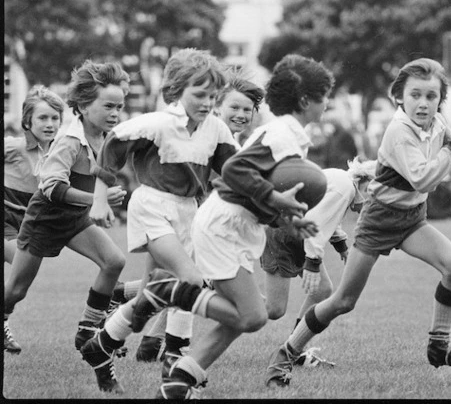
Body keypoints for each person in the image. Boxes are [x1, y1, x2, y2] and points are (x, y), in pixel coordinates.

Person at [262, 57, 451, 388]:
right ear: (399, 97)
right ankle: (285, 354)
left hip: (411, 219)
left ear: (440, 101)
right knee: (342, 302)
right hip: (380, 219)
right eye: (415, 95)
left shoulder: (436, 122)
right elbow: (422, 179)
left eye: (431, 96)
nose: (423, 103)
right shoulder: (398, 131)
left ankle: (439, 346)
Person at [128, 53, 335, 399]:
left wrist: (286, 219)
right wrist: (277, 199)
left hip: (239, 226)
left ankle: (180, 381)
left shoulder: (290, 134)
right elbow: (236, 172)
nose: (327, 103)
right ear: (305, 101)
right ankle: (169, 292)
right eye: (324, 95)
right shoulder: (281, 134)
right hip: (222, 226)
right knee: (253, 316)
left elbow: (256, 188)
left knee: (241, 318)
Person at [78, 48, 240, 394]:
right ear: (174, 92)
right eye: (199, 94)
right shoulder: (156, 124)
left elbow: (238, 172)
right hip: (152, 206)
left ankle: (102, 343)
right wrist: (99, 198)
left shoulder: (217, 129)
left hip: (190, 212)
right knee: (190, 279)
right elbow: (112, 147)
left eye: (213, 95)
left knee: (161, 287)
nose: (208, 102)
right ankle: (176, 356)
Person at [131, 71, 265, 363]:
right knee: (183, 282)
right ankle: (160, 345)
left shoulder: (234, 146)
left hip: (185, 217)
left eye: (248, 110)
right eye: (235, 107)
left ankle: (149, 342)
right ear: (218, 106)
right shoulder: (209, 134)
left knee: (169, 284)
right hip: (177, 215)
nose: (241, 115)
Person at [3, 61, 129, 360]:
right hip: (43, 220)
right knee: (17, 291)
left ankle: (89, 328)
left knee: (113, 261)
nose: (115, 113)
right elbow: (50, 187)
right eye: (109, 106)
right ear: (83, 106)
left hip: (73, 219)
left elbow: (102, 173)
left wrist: (108, 195)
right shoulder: (70, 140)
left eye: (120, 107)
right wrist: (95, 201)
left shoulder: (107, 138)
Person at [262, 157, 376, 367]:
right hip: (283, 234)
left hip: (295, 234)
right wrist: (312, 264)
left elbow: (326, 217)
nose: (371, 205)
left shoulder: (343, 182)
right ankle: (224, 292)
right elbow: (316, 222)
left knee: (322, 290)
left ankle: (294, 350)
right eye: (374, 197)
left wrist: (342, 247)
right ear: (367, 183)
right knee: (274, 309)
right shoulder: (345, 189)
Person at [3, 85, 65, 353]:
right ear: (27, 121)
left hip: (30, 227)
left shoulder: (62, 154)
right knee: (19, 264)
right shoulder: (14, 146)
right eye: (43, 118)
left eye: (54, 118)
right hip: (5, 221)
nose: (50, 124)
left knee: (18, 290)